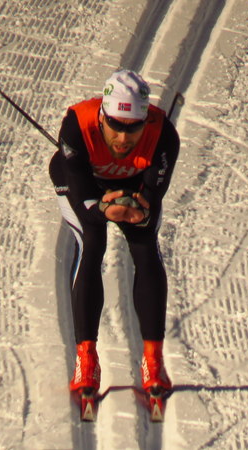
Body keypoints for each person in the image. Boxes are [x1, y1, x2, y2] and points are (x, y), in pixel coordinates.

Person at [49, 69, 179, 396]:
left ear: (145, 121)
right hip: (86, 186)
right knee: (92, 241)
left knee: (144, 244)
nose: (123, 138)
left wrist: (140, 210)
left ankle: (153, 361)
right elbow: (84, 199)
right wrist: (102, 210)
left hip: (133, 186)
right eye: (116, 126)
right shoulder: (77, 126)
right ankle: (86, 360)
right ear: (102, 117)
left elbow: (151, 198)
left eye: (133, 127)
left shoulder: (164, 134)